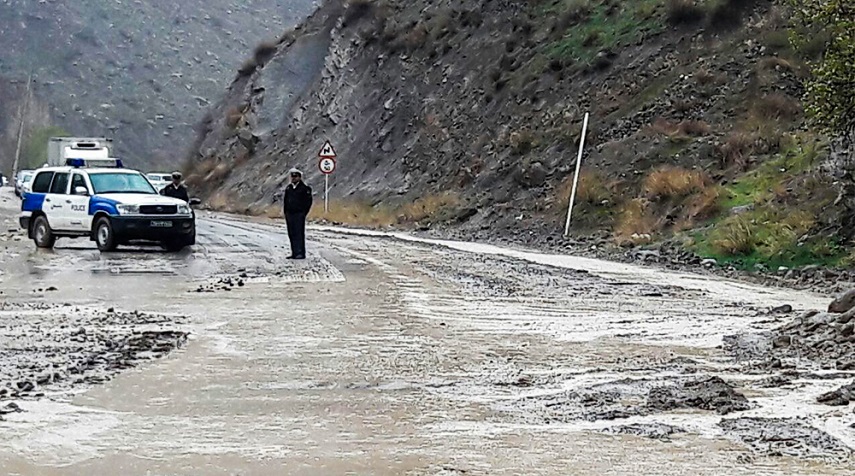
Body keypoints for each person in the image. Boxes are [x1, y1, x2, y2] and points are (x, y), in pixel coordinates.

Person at [282, 168, 312, 259]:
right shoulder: (289, 188)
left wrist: (303, 212)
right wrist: (286, 212)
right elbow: (286, 201)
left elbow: (308, 202)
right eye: (292, 176)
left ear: (299, 177)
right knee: (291, 233)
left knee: (299, 233)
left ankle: (300, 253)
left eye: (296, 176)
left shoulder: (304, 188)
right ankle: (294, 252)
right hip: (290, 214)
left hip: (299, 214)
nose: (293, 178)